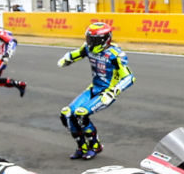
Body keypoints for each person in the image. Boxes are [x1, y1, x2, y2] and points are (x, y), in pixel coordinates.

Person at [57, 20, 133, 160]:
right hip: (93, 88)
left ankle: (95, 146)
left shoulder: (115, 54)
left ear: (104, 40)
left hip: (106, 93)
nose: (90, 42)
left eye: (93, 39)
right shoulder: (88, 48)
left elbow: (129, 77)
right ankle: (82, 147)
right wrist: (67, 59)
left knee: (81, 114)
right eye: (89, 38)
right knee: (66, 114)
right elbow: (78, 53)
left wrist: (114, 92)